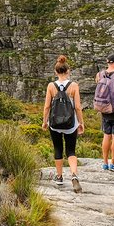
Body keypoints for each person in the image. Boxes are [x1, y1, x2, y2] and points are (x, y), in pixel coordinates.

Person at [42, 55, 85, 193]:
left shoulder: (51, 86)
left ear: (56, 72)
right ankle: (74, 174)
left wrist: (44, 121)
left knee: (58, 148)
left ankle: (59, 177)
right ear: (68, 71)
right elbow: (78, 107)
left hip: (54, 123)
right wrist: (81, 123)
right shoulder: (73, 86)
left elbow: (47, 106)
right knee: (71, 150)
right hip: (70, 123)